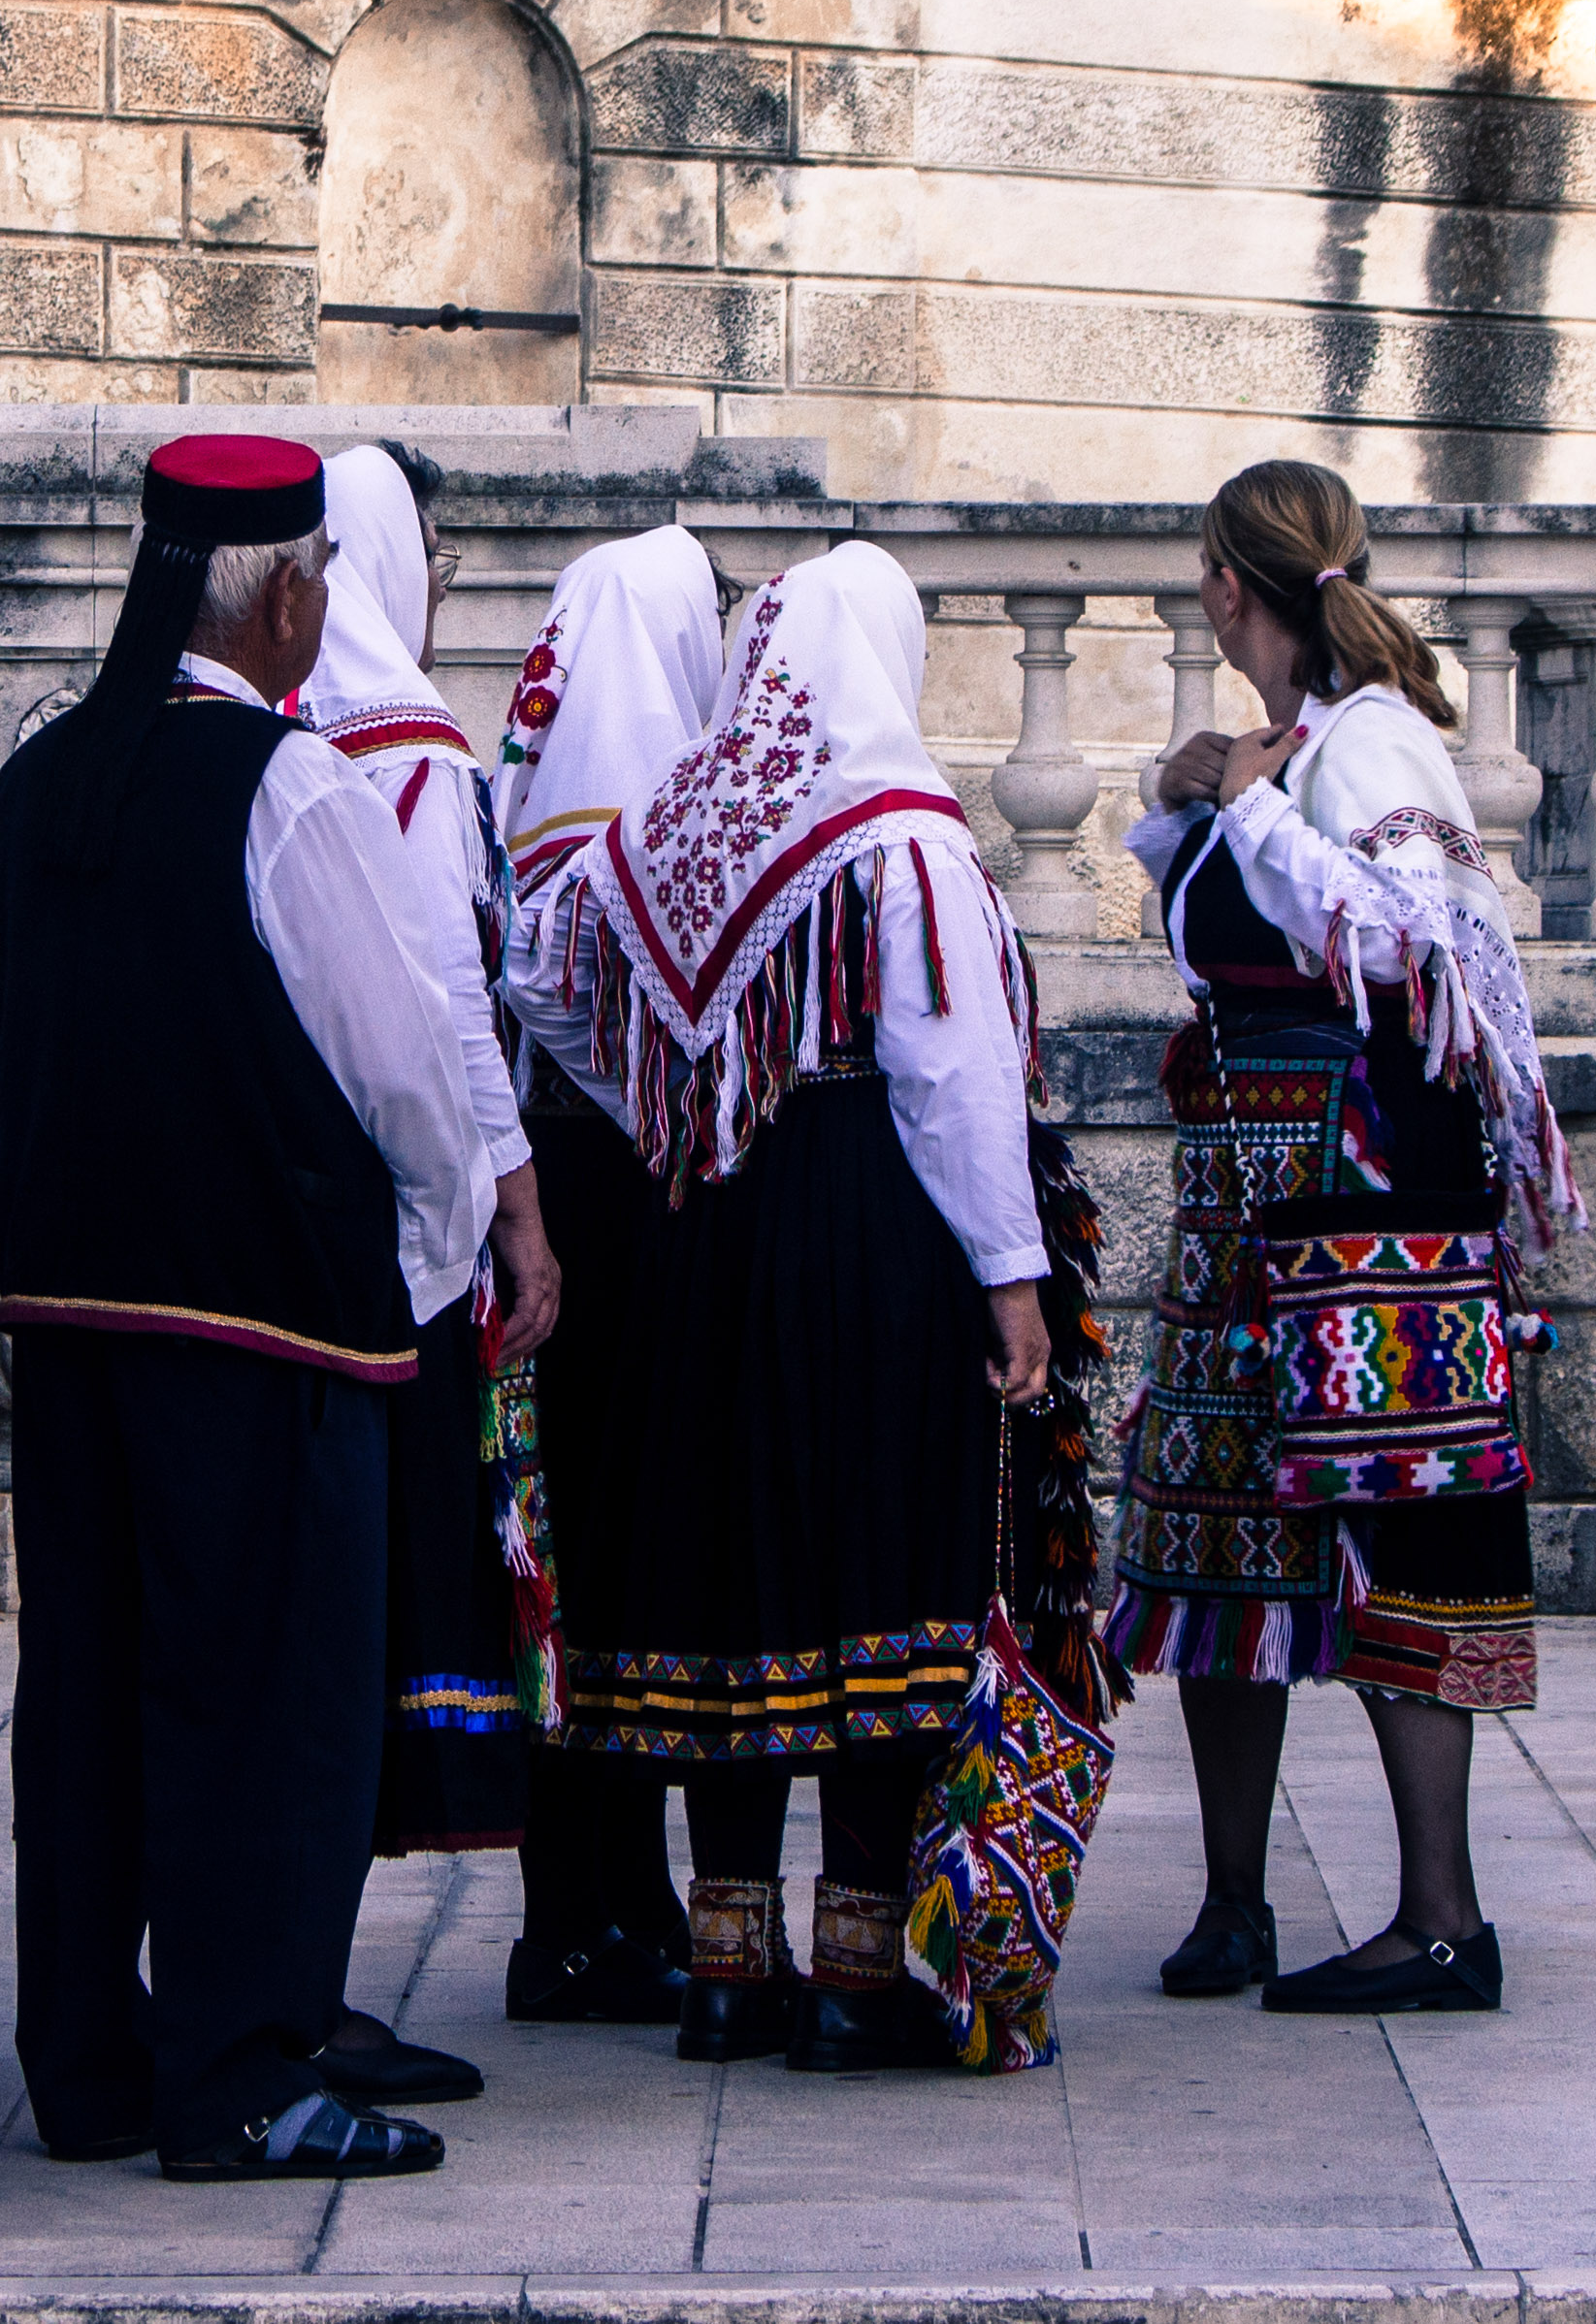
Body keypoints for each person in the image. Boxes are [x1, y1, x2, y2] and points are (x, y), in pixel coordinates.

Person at [0, 435, 500, 2186]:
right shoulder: (288, 788)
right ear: (283, 591)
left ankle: (90, 2058)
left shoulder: (37, 780)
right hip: (266, 1325)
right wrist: (424, 1267)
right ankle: (242, 2066)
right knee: (267, 1699)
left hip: (71, 1322)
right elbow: (403, 1065)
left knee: (94, 1690)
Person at [509, 541, 1059, 2072]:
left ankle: (721, 1957)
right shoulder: (898, 833)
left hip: (700, 1226)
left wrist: (664, 1092)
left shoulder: (685, 826)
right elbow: (950, 1076)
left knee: (731, 1567)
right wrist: (1007, 1274)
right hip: (864, 1229)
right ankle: (854, 1965)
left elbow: (542, 961)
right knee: (877, 1557)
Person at [1109, 459, 1572, 2017]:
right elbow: (1214, 905)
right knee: (1220, 1521)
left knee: (1393, 1517)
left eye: (1199, 571)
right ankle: (1233, 1899)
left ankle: (1439, 1915)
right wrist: (1186, 798)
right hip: (1250, 1189)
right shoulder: (1294, 740)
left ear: (1228, 587)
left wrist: (1240, 802)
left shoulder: (1372, 739)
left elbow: (1398, 936)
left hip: (1364, 1193)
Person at [287, 443, 557, 2108]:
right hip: (400, 1247)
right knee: (374, 1618)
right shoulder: (407, 756)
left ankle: (287, 1969)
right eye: (435, 555)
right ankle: (302, 1988)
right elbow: (453, 1021)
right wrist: (515, 1210)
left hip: (287, 1238)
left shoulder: (272, 742)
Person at [484, 524, 728, 2030]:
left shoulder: (544, 764)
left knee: (592, 1562)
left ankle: (605, 1899)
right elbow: (550, 979)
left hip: (572, 1198)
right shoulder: (632, 767)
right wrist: (661, 1102)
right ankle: (581, 1915)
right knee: (615, 1559)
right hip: (613, 1211)